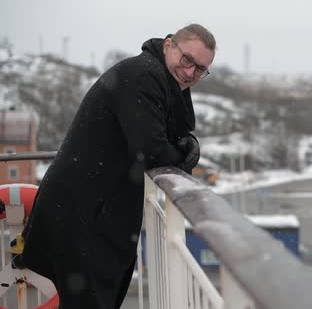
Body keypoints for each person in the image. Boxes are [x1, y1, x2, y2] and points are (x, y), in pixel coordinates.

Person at [14, 23, 216, 308]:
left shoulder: (160, 76)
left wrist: (184, 145)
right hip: (84, 215)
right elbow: (153, 151)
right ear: (168, 45)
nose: (191, 73)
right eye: (187, 60)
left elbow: (178, 129)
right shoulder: (144, 75)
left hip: (91, 210)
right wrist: (188, 152)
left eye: (200, 70)